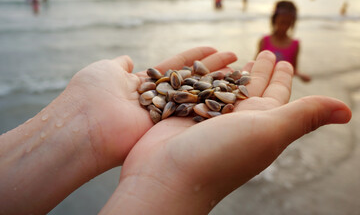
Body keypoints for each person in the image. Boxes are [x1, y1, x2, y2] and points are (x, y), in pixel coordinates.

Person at [0, 47, 351, 214]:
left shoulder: (189, 92)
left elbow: (191, 96)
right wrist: (171, 187)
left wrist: (78, 124)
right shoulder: (172, 94)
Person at [257, 0, 311, 82]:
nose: (284, 26)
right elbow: (255, 64)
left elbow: (294, 69)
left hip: (283, 82)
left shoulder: (295, 44)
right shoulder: (264, 40)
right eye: (282, 22)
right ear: (274, 20)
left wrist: (301, 75)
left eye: (288, 23)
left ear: (292, 23)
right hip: (262, 81)